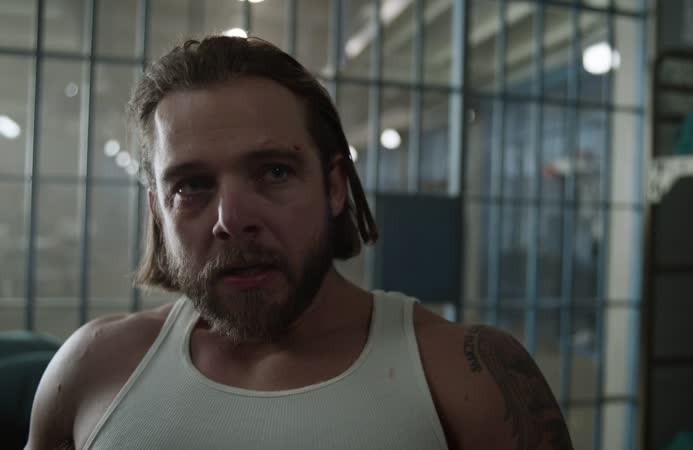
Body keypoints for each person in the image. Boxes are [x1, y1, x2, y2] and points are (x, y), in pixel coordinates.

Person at [26, 36, 573, 450]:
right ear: (157, 210)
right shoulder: (94, 366)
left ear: (334, 187)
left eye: (274, 172)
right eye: (191, 185)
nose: (232, 220)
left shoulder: (466, 377)